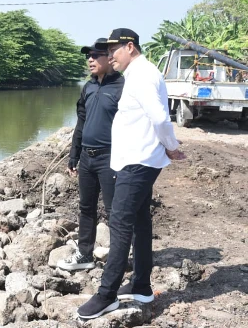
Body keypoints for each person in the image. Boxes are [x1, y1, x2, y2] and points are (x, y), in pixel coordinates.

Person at [77, 28, 186, 319]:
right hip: (136, 160)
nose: (109, 56)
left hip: (138, 163)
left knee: (120, 222)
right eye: (107, 52)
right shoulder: (139, 74)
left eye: (114, 51)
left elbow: (161, 118)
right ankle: (141, 285)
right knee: (139, 221)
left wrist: (172, 148)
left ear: (130, 47)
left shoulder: (140, 75)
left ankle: (107, 294)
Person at [57, 38, 124, 271]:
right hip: (87, 157)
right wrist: (73, 156)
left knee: (114, 210)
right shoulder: (89, 86)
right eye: (88, 56)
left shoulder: (123, 86)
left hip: (111, 158)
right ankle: (84, 255)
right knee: (86, 207)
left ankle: (119, 259)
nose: (90, 60)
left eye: (95, 56)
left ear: (110, 58)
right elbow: (81, 122)